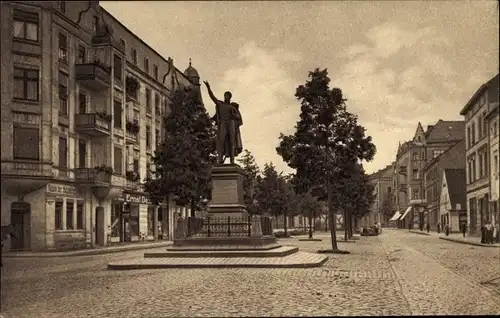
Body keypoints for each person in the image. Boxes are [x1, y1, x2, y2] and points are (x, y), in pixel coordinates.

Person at [204, 81, 243, 165]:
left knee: (232, 142)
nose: (226, 97)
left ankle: (232, 160)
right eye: (225, 95)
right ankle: (220, 159)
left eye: (227, 96)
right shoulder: (220, 104)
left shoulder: (232, 107)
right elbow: (212, 97)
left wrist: (233, 115)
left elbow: (238, 117)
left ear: (230, 97)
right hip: (223, 124)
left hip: (231, 123)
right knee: (221, 141)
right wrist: (208, 88)